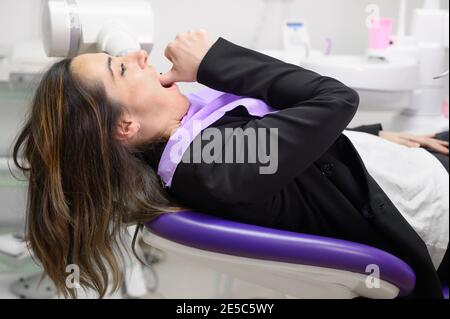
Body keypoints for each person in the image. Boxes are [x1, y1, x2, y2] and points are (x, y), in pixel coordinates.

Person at [12, 30, 448, 298]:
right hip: (429, 210)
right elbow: (336, 98)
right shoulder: (208, 161)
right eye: (121, 70)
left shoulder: (199, 139)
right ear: (124, 126)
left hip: (402, 169)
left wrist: (368, 137)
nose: (140, 57)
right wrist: (216, 60)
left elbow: (289, 144)